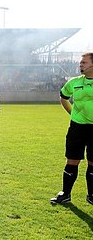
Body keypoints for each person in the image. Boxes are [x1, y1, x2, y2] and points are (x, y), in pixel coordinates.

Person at [50, 52, 93, 205]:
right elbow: (63, 97)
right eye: (80, 62)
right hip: (77, 128)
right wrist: (72, 114)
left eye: (84, 62)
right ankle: (65, 194)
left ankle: (91, 195)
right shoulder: (74, 82)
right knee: (72, 161)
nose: (81, 64)